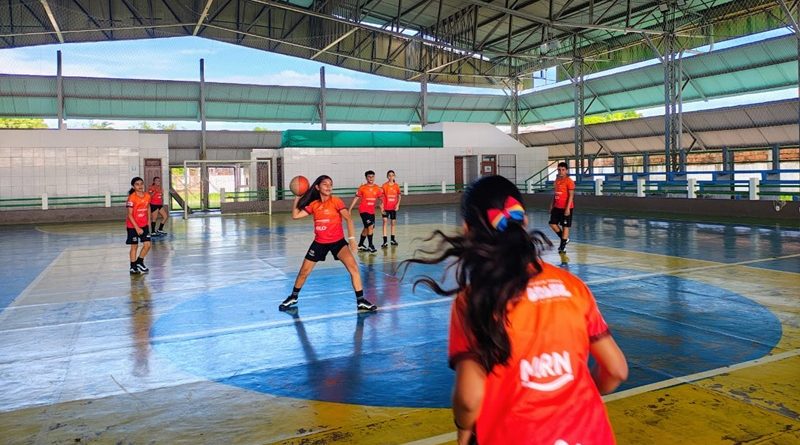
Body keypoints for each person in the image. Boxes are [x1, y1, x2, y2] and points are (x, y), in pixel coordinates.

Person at [402, 175, 627, 445]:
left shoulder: (476, 299)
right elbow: (616, 370)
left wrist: (464, 431)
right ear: (525, 221)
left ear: (467, 229)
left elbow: (469, 397)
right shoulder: (573, 286)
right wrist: (577, 399)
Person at [279, 175, 378, 312]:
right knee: (304, 272)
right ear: (317, 187)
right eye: (325, 184)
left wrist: (352, 239)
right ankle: (294, 296)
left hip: (338, 242)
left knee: (354, 269)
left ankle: (361, 301)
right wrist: (297, 195)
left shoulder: (336, 201)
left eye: (330, 184)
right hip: (319, 243)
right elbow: (295, 215)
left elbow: (348, 219)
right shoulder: (314, 204)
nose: (328, 186)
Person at [348, 170, 384, 253]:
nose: (371, 178)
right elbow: (356, 198)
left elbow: (381, 199)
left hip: (372, 211)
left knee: (367, 228)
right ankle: (371, 245)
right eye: (369, 176)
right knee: (370, 226)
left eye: (372, 176)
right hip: (363, 210)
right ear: (366, 178)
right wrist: (349, 209)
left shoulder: (377, 188)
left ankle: (360, 244)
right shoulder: (362, 188)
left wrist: (382, 208)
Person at [126, 177, 152, 275]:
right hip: (133, 226)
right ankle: (133, 267)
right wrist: (137, 228)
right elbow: (129, 214)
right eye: (137, 184)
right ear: (133, 186)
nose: (140, 186)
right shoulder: (132, 198)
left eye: (141, 183)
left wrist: (148, 221)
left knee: (147, 245)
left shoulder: (147, 196)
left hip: (144, 224)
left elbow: (148, 207)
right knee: (134, 246)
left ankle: (139, 262)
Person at [549, 162, 575, 253]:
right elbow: (555, 194)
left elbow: (571, 196)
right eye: (559, 170)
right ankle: (564, 239)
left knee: (565, 226)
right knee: (552, 223)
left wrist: (567, 208)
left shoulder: (569, 181)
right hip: (557, 207)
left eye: (563, 170)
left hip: (566, 207)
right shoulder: (556, 181)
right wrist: (552, 204)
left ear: (566, 171)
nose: (561, 171)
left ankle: (562, 247)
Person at [380, 170, 402, 248]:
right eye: (389, 175)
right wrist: (382, 206)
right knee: (385, 221)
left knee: (393, 223)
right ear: (387, 176)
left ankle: (392, 240)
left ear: (394, 176)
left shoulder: (396, 186)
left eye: (392, 175)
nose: (391, 177)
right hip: (386, 207)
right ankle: (385, 241)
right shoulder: (384, 185)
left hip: (393, 207)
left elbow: (399, 195)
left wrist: (398, 204)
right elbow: (381, 197)